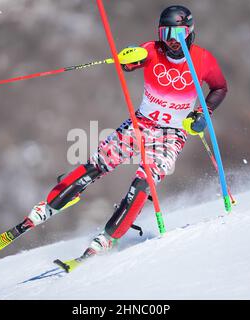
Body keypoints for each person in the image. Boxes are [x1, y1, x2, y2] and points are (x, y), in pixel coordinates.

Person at [23, 5, 228, 258]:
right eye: (166, 34)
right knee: (100, 161)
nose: (172, 42)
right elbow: (131, 63)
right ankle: (51, 204)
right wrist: (128, 58)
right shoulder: (153, 49)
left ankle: (109, 237)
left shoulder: (204, 59)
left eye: (178, 34)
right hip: (140, 124)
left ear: (190, 32)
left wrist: (202, 114)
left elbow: (219, 88)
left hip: (172, 134)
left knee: (144, 181)